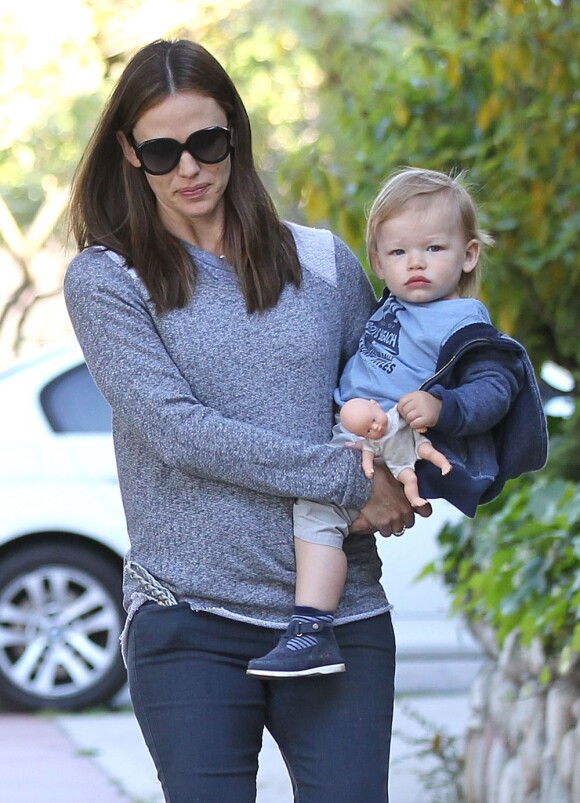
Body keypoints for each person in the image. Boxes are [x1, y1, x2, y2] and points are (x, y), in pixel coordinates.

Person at [63, 38, 425, 803]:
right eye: (162, 151)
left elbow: (380, 390)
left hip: (338, 615)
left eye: (206, 142)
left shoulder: (324, 261)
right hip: (190, 618)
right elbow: (177, 429)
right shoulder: (108, 277)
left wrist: (401, 465)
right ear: (130, 153)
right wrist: (346, 479)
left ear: (235, 130)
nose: (188, 168)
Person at [247, 167, 547, 679]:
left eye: (434, 249)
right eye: (399, 253)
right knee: (327, 506)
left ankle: (311, 627)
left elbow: (496, 388)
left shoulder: (462, 321)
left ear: (468, 255)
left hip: (398, 433)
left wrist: (444, 407)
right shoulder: (393, 305)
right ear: (379, 265)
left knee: (318, 511)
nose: (417, 265)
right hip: (364, 426)